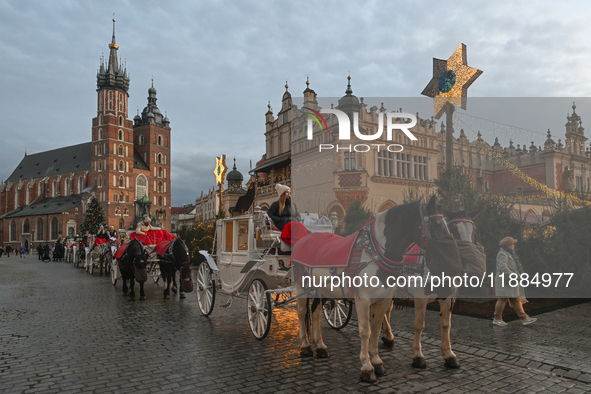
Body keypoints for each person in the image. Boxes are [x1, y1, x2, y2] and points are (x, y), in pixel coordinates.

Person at [493, 236, 537, 326]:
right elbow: (502, 267)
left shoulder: (510, 253)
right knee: (502, 299)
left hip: (511, 279)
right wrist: (512, 275)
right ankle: (497, 319)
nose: (514, 246)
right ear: (508, 245)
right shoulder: (503, 254)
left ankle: (524, 318)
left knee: (516, 299)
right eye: (512, 244)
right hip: (505, 280)